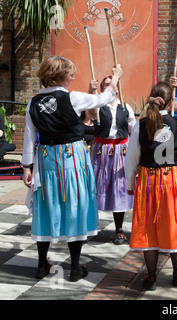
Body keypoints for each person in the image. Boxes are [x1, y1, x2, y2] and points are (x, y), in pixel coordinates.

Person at [21, 56, 123, 281]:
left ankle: (41, 265)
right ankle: (75, 268)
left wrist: (27, 167)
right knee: (75, 205)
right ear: (60, 75)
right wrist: (115, 77)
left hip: (46, 158)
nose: (73, 77)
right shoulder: (73, 98)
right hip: (72, 157)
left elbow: (29, 139)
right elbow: (105, 97)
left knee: (46, 205)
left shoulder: (32, 103)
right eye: (70, 74)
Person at [124, 81, 177, 291]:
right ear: (171, 102)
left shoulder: (141, 124)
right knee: (175, 224)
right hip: (174, 178)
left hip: (149, 179)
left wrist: (130, 183)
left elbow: (131, 158)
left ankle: (151, 277)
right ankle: (176, 274)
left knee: (149, 226)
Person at [88, 76, 136, 244]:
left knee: (120, 188)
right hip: (101, 150)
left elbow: (133, 130)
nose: (110, 87)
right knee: (95, 186)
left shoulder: (125, 107)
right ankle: (88, 226)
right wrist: (91, 91)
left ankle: (119, 229)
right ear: (101, 88)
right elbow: (91, 114)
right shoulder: (98, 105)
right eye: (106, 85)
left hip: (120, 150)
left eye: (112, 84)